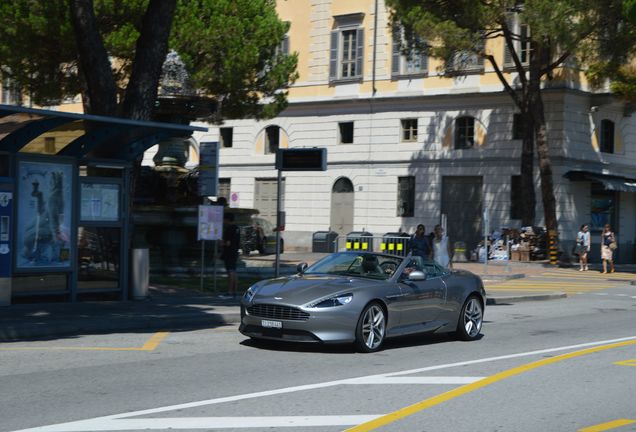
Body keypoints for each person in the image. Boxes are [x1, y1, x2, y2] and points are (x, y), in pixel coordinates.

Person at [221, 211, 240, 298]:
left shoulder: (229, 229)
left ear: (227, 220)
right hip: (235, 252)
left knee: (230, 272)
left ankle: (229, 292)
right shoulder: (237, 228)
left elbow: (228, 243)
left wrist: (221, 243)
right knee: (234, 272)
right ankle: (235, 291)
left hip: (229, 252)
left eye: (224, 219)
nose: (223, 221)